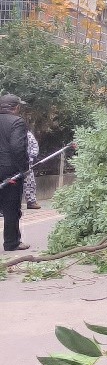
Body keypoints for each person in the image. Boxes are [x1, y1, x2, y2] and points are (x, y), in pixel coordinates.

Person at [0, 94, 33, 252]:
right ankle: (11, 242)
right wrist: (24, 168)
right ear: (16, 107)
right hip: (10, 171)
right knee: (11, 207)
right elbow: (17, 147)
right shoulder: (17, 122)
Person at [24, 128, 39, 209]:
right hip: (11, 163)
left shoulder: (28, 134)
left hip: (27, 163)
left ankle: (31, 201)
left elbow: (35, 145)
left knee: (30, 183)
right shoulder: (9, 132)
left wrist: (32, 157)